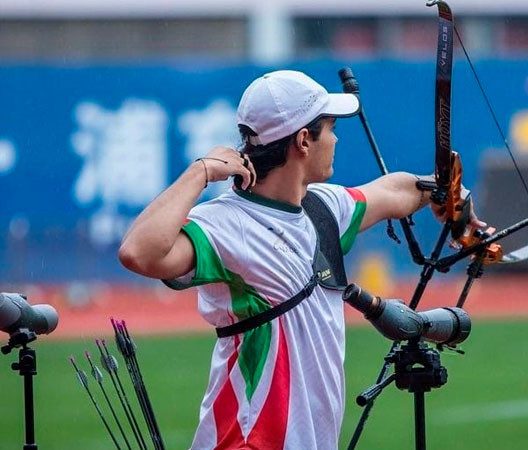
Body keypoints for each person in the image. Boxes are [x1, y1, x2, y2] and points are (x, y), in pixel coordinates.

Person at [118, 70, 484, 450]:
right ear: (304, 141)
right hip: (247, 441)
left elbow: (392, 191)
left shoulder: (322, 208)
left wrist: (447, 193)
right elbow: (138, 252)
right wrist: (201, 170)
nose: (336, 138)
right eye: (330, 128)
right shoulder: (227, 224)